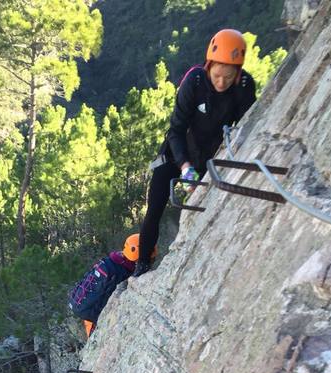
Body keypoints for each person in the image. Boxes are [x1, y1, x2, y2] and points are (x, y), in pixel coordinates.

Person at [134, 29, 256, 276]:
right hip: (176, 153)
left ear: (238, 72)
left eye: (228, 76)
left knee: (204, 213)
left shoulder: (243, 87)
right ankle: (142, 265)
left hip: (211, 157)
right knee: (154, 208)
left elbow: (246, 126)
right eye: (217, 75)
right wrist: (185, 166)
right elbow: (176, 129)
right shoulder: (195, 81)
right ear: (208, 65)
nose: (221, 82)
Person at [67, 234, 156, 336]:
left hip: (81, 305)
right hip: (90, 311)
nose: (151, 262)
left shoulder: (113, 260)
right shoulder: (123, 272)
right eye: (151, 259)